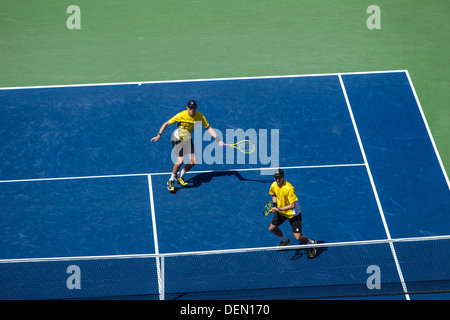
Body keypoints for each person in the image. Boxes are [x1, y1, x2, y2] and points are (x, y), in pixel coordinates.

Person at [151, 100, 223, 192]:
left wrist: (217, 140)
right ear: (187, 108)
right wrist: (159, 134)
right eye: (190, 108)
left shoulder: (200, 116)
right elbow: (166, 123)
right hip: (177, 139)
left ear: (196, 108)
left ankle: (179, 176)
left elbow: (208, 128)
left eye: (193, 108)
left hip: (187, 139)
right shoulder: (181, 115)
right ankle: (171, 180)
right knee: (180, 160)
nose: (192, 110)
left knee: (194, 161)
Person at [269, 168, 316, 258]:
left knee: (298, 237)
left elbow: (292, 205)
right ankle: (285, 241)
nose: (277, 179)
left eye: (279, 177)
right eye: (275, 177)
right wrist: (274, 205)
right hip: (282, 211)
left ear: (283, 177)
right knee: (272, 228)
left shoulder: (289, 188)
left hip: (293, 214)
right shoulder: (273, 185)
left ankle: (312, 243)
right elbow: (274, 194)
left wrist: (278, 209)